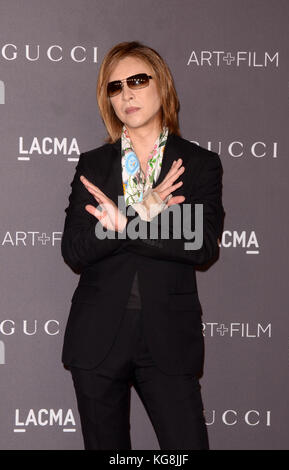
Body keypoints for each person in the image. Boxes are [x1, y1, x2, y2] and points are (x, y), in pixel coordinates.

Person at [61, 41, 225, 450]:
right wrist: (142, 218)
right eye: (115, 87)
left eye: (137, 80)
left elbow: (201, 245)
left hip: (168, 339)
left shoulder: (199, 164)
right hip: (97, 339)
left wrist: (126, 224)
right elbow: (75, 250)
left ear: (162, 85)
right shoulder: (94, 166)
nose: (127, 93)